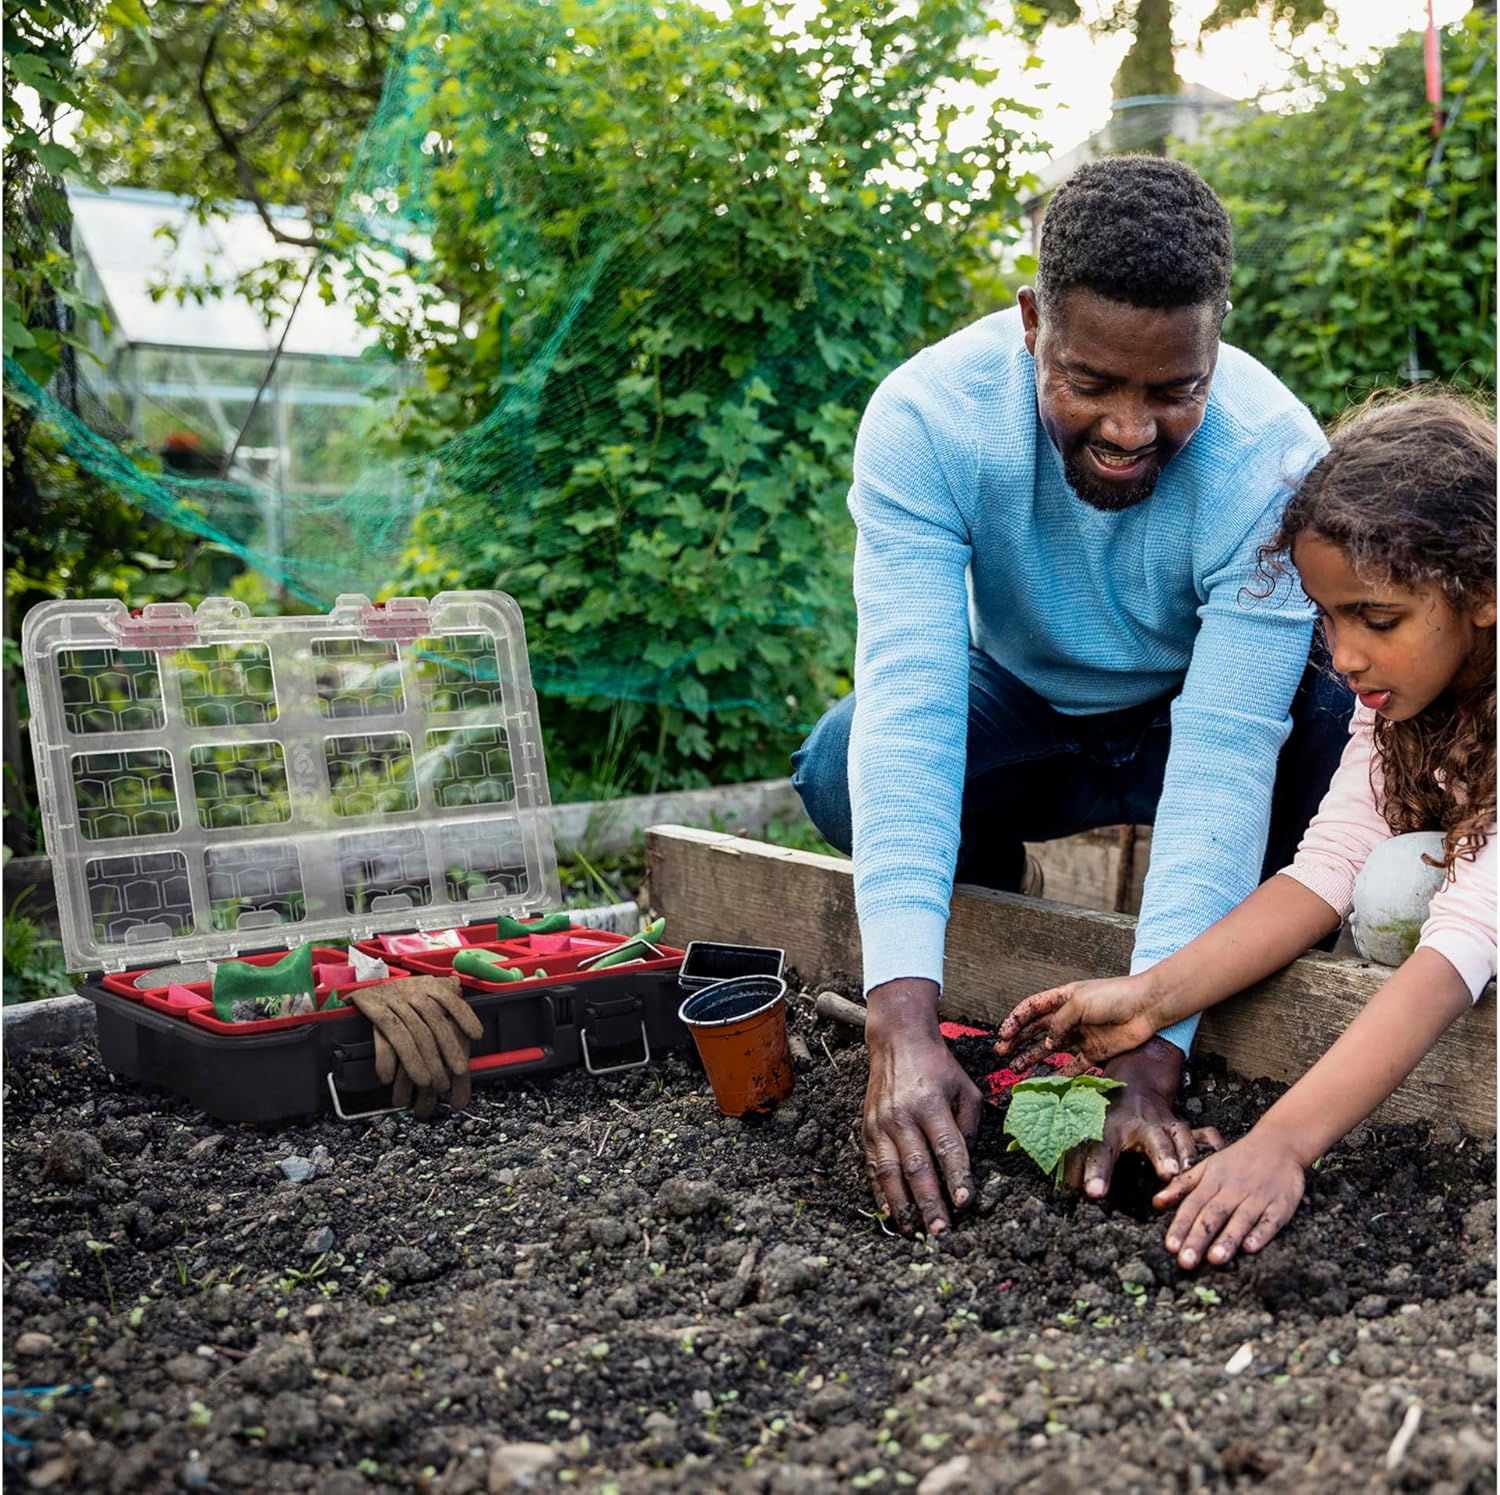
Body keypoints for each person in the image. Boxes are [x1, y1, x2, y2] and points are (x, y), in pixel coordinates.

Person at [791, 154, 1353, 1235]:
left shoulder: (1273, 462)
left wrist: (1152, 1060)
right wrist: (898, 1018)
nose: (1131, 428)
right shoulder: (928, 420)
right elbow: (912, 699)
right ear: (1030, 327)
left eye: (1173, 389)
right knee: (840, 763)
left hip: (1193, 708)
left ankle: (1271, 965)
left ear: (1215, 348)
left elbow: (1227, 753)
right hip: (1025, 702)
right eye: (1091, 381)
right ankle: (982, 940)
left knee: (1335, 727)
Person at [996, 391, 1496, 1268]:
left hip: (1473, 939)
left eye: (1375, 620)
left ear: (1482, 592)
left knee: (1414, 888)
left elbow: (1458, 946)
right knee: (1383, 871)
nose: (1343, 657)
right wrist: (1149, 996)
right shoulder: (1399, 704)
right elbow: (1327, 863)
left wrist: (1282, 1142)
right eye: (1328, 616)